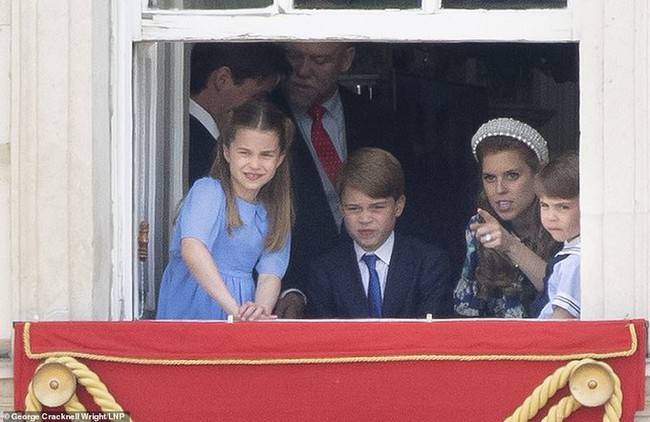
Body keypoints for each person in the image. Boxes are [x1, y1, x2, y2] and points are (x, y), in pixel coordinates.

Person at [271, 42, 398, 318]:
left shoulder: (377, 118)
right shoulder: (264, 120)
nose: (303, 70)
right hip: (295, 294)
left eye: (319, 60)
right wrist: (289, 287)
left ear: (346, 60)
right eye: (295, 56)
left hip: (374, 287)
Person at [157, 100, 294, 320]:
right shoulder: (208, 191)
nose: (255, 164)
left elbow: (270, 274)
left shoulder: (274, 211)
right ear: (227, 152)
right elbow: (192, 249)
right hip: (194, 310)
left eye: (266, 155)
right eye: (245, 153)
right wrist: (234, 311)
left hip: (238, 316)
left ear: (279, 159)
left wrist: (257, 313)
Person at [304, 147, 452, 319]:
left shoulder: (429, 264)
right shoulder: (323, 272)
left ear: (399, 206)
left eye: (377, 207)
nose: (365, 218)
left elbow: (434, 336)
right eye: (353, 208)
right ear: (341, 209)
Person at [453, 117, 561, 318]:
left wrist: (511, 246)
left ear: (538, 174)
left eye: (512, 176)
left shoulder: (561, 223)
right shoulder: (479, 227)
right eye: (490, 178)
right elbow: (468, 312)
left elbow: (564, 294)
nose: (499, 189)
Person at [188, 42, 290, 186]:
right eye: (258, 97)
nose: (260, 109)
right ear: (222, 79)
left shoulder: (183, 130)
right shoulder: (191, 143)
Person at [535, 151, 581, 319]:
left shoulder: (575, 261)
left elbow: (562, 320)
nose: (551, 217)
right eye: (544, 205)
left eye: (563, 207)